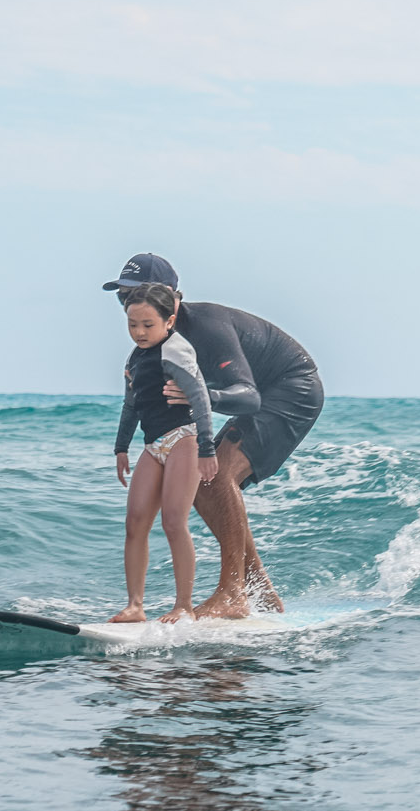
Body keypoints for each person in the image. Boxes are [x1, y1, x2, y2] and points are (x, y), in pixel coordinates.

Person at [102, 254, 323, 618]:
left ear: (173, 299)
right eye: (123, 297)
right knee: (203, 486)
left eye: (138, 293)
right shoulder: (152, 345)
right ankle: (259, 591)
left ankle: (234, 594)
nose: (129, 304)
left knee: (216, 476)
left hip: (290, 389)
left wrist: (202, 397)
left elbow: (248, 396)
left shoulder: (205, 327)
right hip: (258, 395)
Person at [111, 283, 220, 624]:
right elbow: (132, 404)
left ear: (169, 320)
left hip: (184, 440)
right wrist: (121, 447)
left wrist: (206, 447)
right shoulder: (136, 356)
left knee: (174, 522)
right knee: (135, 522)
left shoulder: (176, 351)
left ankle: (184, 605)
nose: (139, 332)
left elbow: (200, 398)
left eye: (147, 325)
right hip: (153, 444)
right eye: (132, 325)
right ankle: (135, 606)